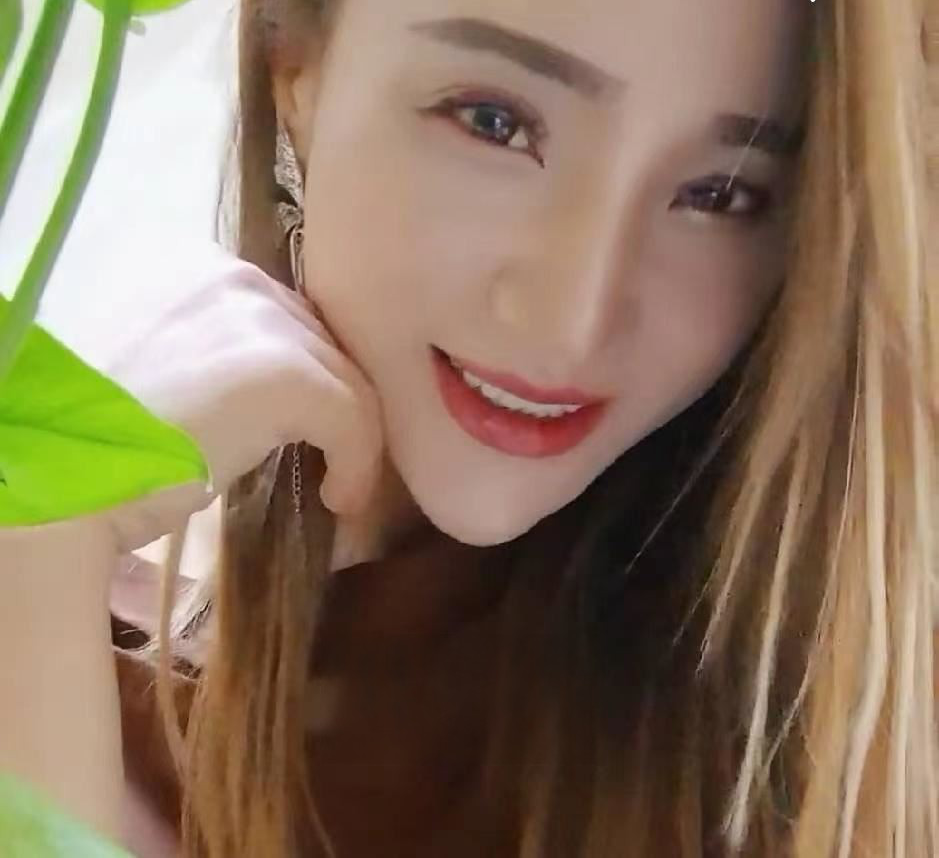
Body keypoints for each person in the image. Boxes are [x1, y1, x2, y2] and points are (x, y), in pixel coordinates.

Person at [2, 0, 937, 855]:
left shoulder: (841, 751)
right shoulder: (83, 627)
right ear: (296, 70)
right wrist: (42, 549)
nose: (572, 321)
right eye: (494, 122)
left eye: (720, 194)